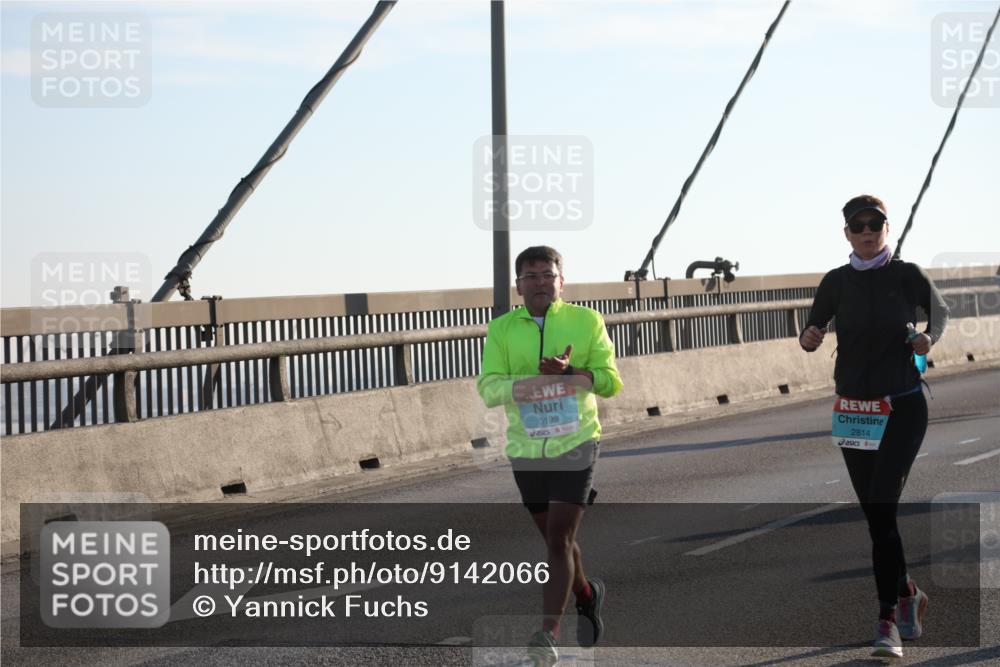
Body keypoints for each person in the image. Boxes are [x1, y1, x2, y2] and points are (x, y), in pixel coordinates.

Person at [800, 195, 949, 659]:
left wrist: (929, 337)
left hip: (902, 406)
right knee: (876, 516)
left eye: (875, 224)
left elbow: (939, 313)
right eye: (858, 225)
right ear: (846, 233)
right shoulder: (836, 281)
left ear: (887, 227)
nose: (867, 232)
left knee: (882, 504)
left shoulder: (907, 274)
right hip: (855, 411)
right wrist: (809, 336)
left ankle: (887, 620)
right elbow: (812, 329)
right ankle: (907, 591)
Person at [477, 246, 623, 666]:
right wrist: (528, 385)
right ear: (518, 285)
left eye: (548, 274)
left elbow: (611, 382)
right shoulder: (502, 328)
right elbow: (489, 387)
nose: (541, 282)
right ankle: (586, 594)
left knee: (559, 538)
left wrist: (570, 375)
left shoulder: (586, 320)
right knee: (558, 541)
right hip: (526, 446)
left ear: (562, 280)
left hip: (576, 442)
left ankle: (547, 635)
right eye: (532, 276)